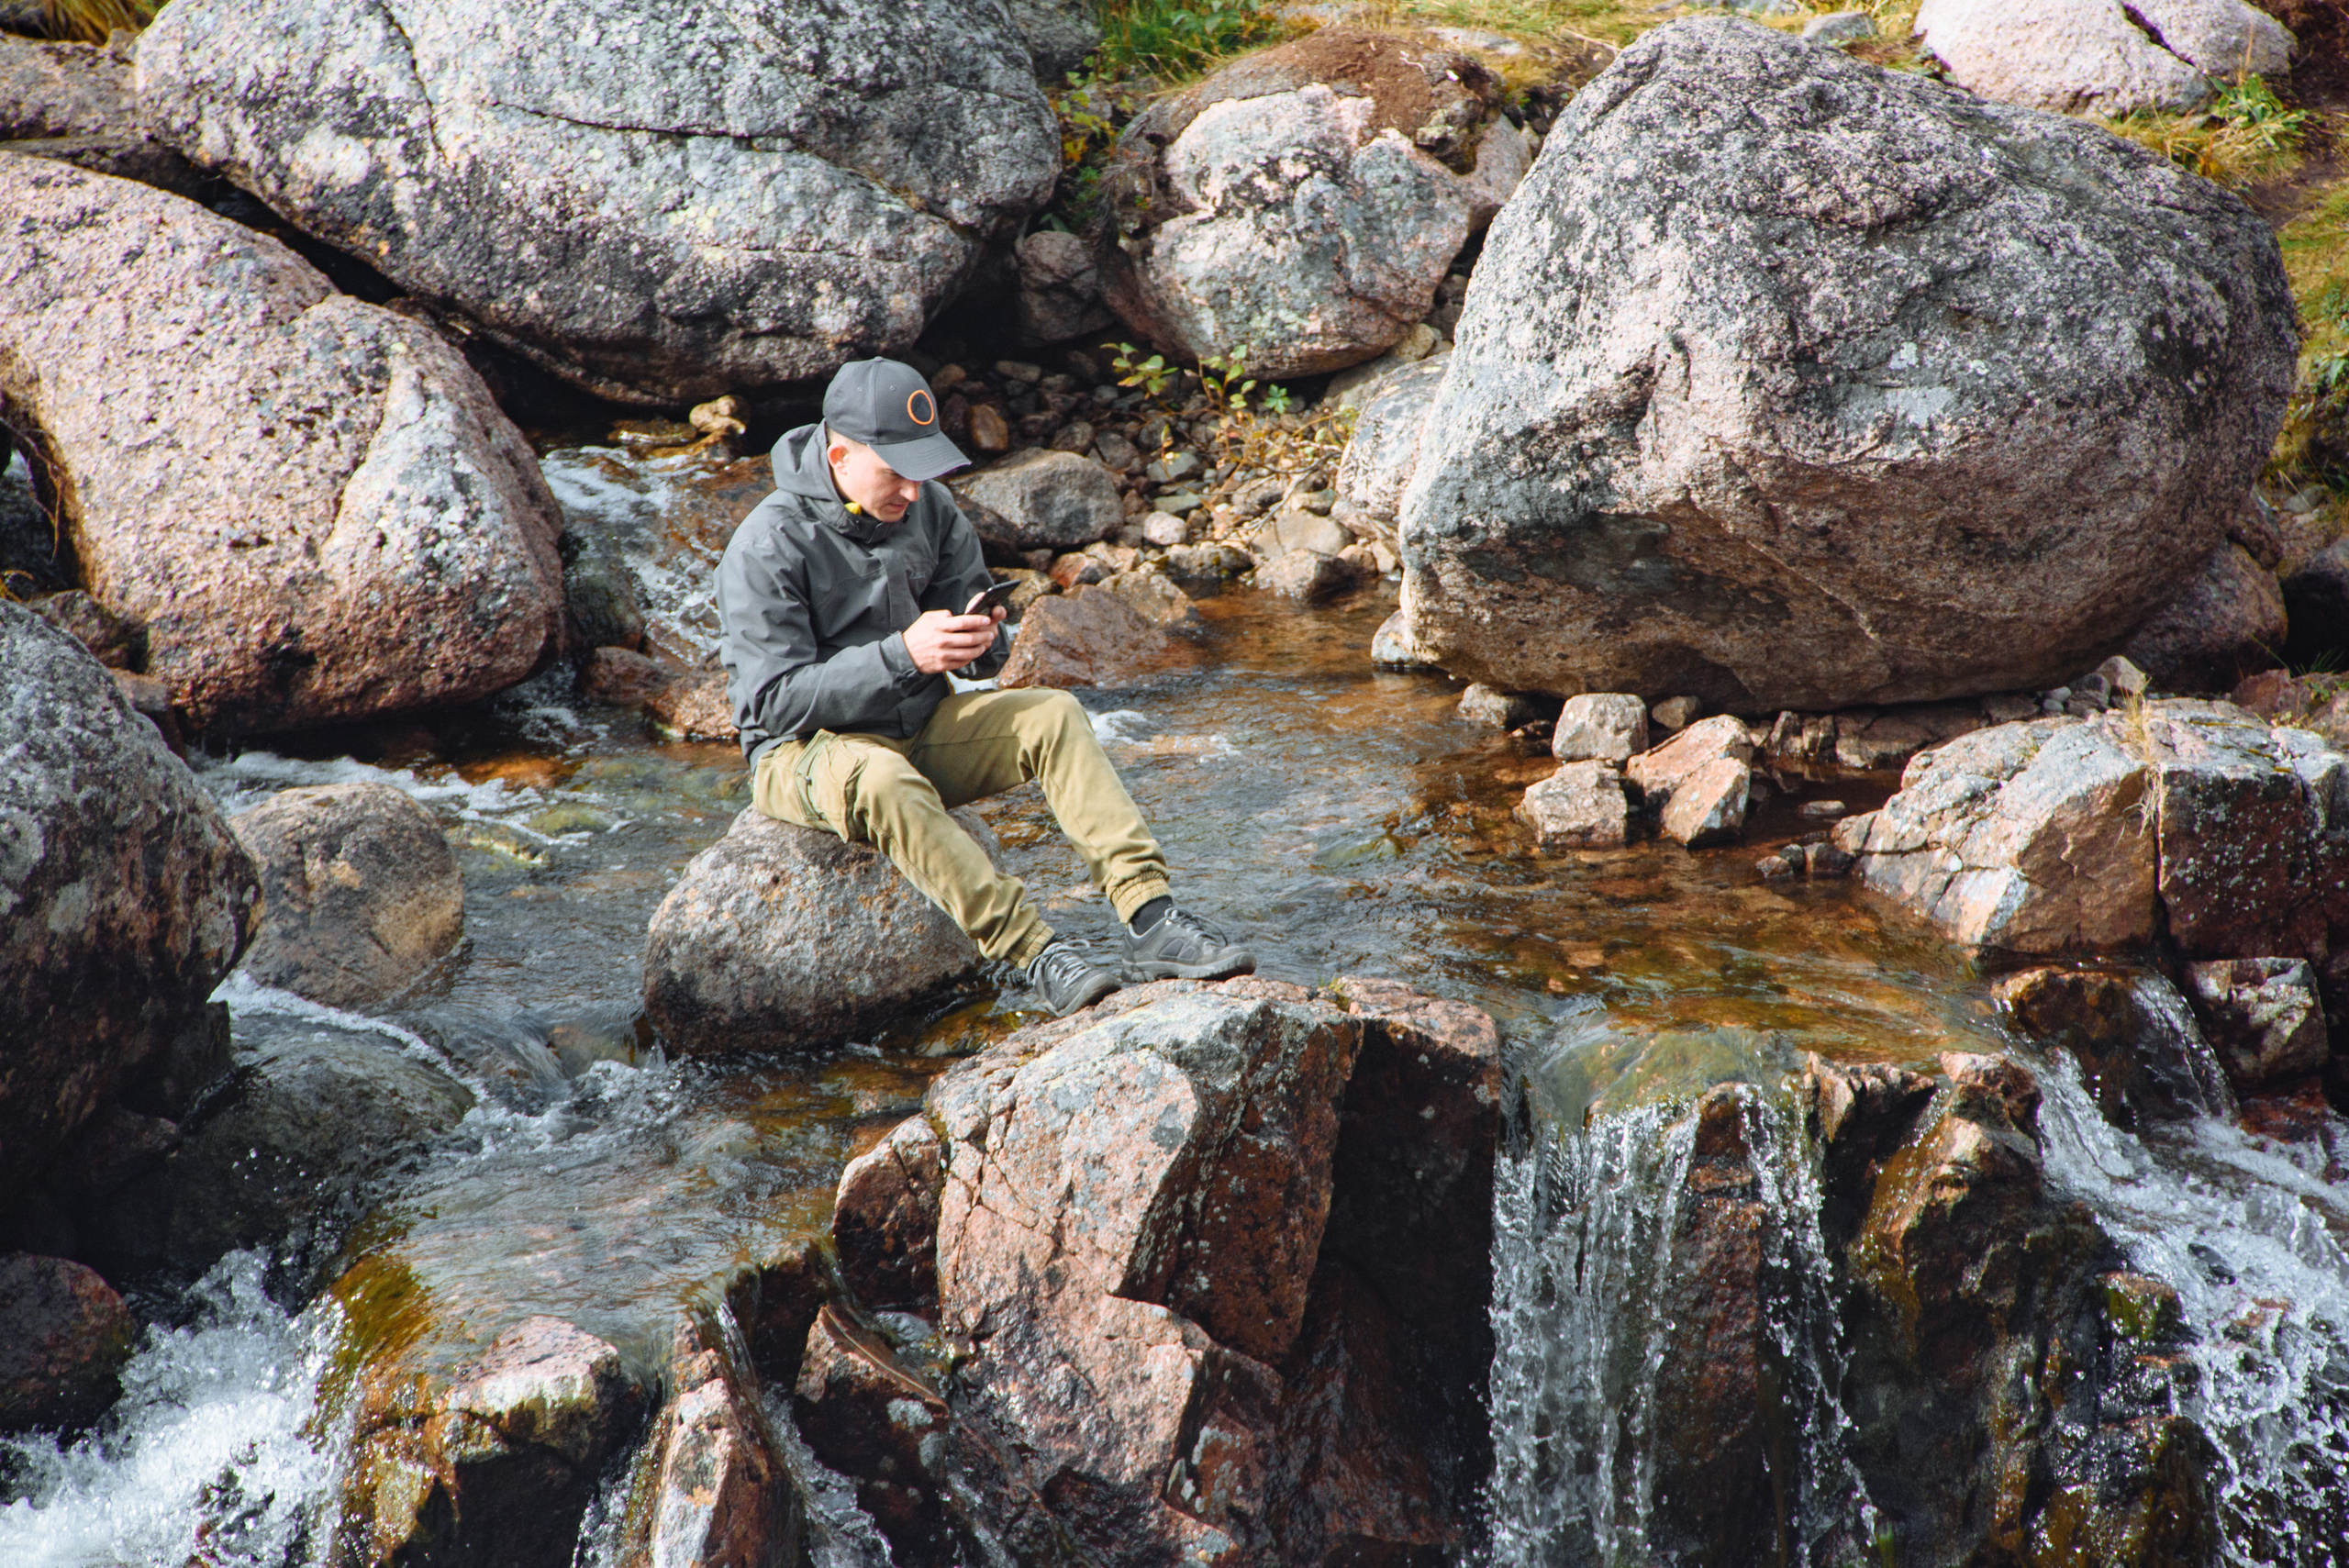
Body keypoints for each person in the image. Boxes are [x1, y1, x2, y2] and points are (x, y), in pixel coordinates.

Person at [716, 357, 1254, 1016]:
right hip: (802, 753)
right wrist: (902, 654)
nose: (914, 491)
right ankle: (1035, 952)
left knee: (1053, 714)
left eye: (921, 470)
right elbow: (769, 701)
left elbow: (973, 654)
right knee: (882, 778)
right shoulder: (766, 544)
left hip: (915, 726)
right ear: (838, 455)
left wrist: (981, 640)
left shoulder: (929, 507)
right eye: (896, 472)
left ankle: (1151, 919)